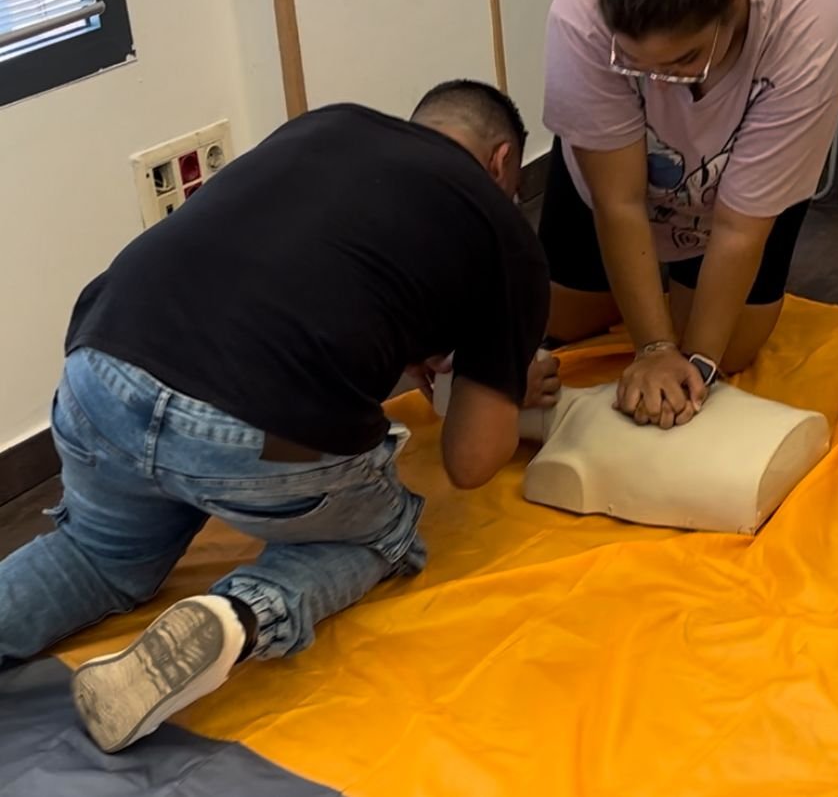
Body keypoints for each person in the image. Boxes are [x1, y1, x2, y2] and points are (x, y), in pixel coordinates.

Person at [0, 81, 556, 753]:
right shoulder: (502, 231)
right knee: (385, 528)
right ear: (502, 163)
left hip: (100, 380)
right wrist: (499, 377)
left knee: (95, 556)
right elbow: (469, 462)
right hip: (254, 440)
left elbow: (295, 290)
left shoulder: (326, 125)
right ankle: (233, 617)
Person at [539, 0, 838, 431]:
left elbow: (739, 226)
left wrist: (696, 368)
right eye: (638, 65)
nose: (660, 80)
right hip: (622, 181)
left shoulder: (808, 15)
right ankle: (643, 311)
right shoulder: (582, 6)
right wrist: (653, 350)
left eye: (682, 59)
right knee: (567, 323)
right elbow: (619, 200)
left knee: (726, 351)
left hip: (735, 194)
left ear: (733, 3)